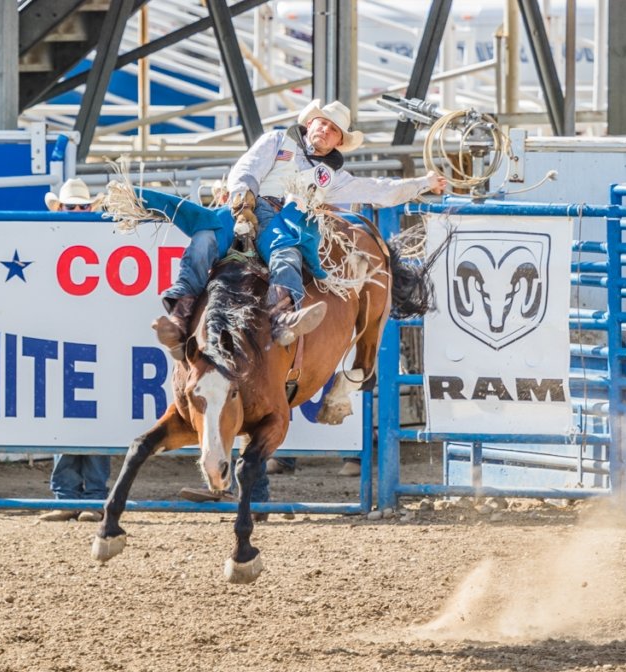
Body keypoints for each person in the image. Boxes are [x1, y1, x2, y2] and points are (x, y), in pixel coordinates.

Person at [157, 99, 445, 479]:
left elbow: (378, 189)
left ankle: (282, 315)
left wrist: (423, 183)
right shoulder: (277, 141)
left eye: (333, 131)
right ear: (309, 124)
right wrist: (242, 192)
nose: (324, 132)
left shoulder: (331, 177)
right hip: (246, 209)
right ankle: (181, 310)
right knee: (203, 245)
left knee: (286, 257)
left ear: (338, 142)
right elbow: (248, 167)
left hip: (285, 222)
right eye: (322, 125)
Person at [39, 179, 110, 522]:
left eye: (84, 207)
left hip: (92, 336)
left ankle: (88, 497)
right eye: (73, 207)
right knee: (68, 416)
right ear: (61, 210)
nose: (80, 212)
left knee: (87, 417)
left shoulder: (53, 240)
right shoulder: (54, 240)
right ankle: (71, 496)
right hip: (70, 335)